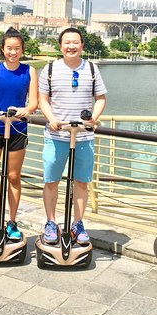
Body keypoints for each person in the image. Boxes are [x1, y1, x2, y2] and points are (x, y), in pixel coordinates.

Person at [38, 27, 107, 244]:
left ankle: (78, 223)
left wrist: (92, 119)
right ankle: (51, 222)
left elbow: (101, 98)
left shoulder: (92, 69)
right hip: (56, 135)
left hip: (83, 137)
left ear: (82, 46)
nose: (71, 46)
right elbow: (42, 99)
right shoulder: (49, 69)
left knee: (81, 182)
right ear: (60, 46)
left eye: (75, 42)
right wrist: (51, 118)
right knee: (51, 180)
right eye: (67, 43)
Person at [0, 28, 38, 241]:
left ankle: (12, 222)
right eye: (9, 48)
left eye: (17, 48)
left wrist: (27, 111)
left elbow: (34, 102)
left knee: (13, 177)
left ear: (22, 50)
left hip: (17, 128)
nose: (13, 52)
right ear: (3, 49)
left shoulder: (29, 71)